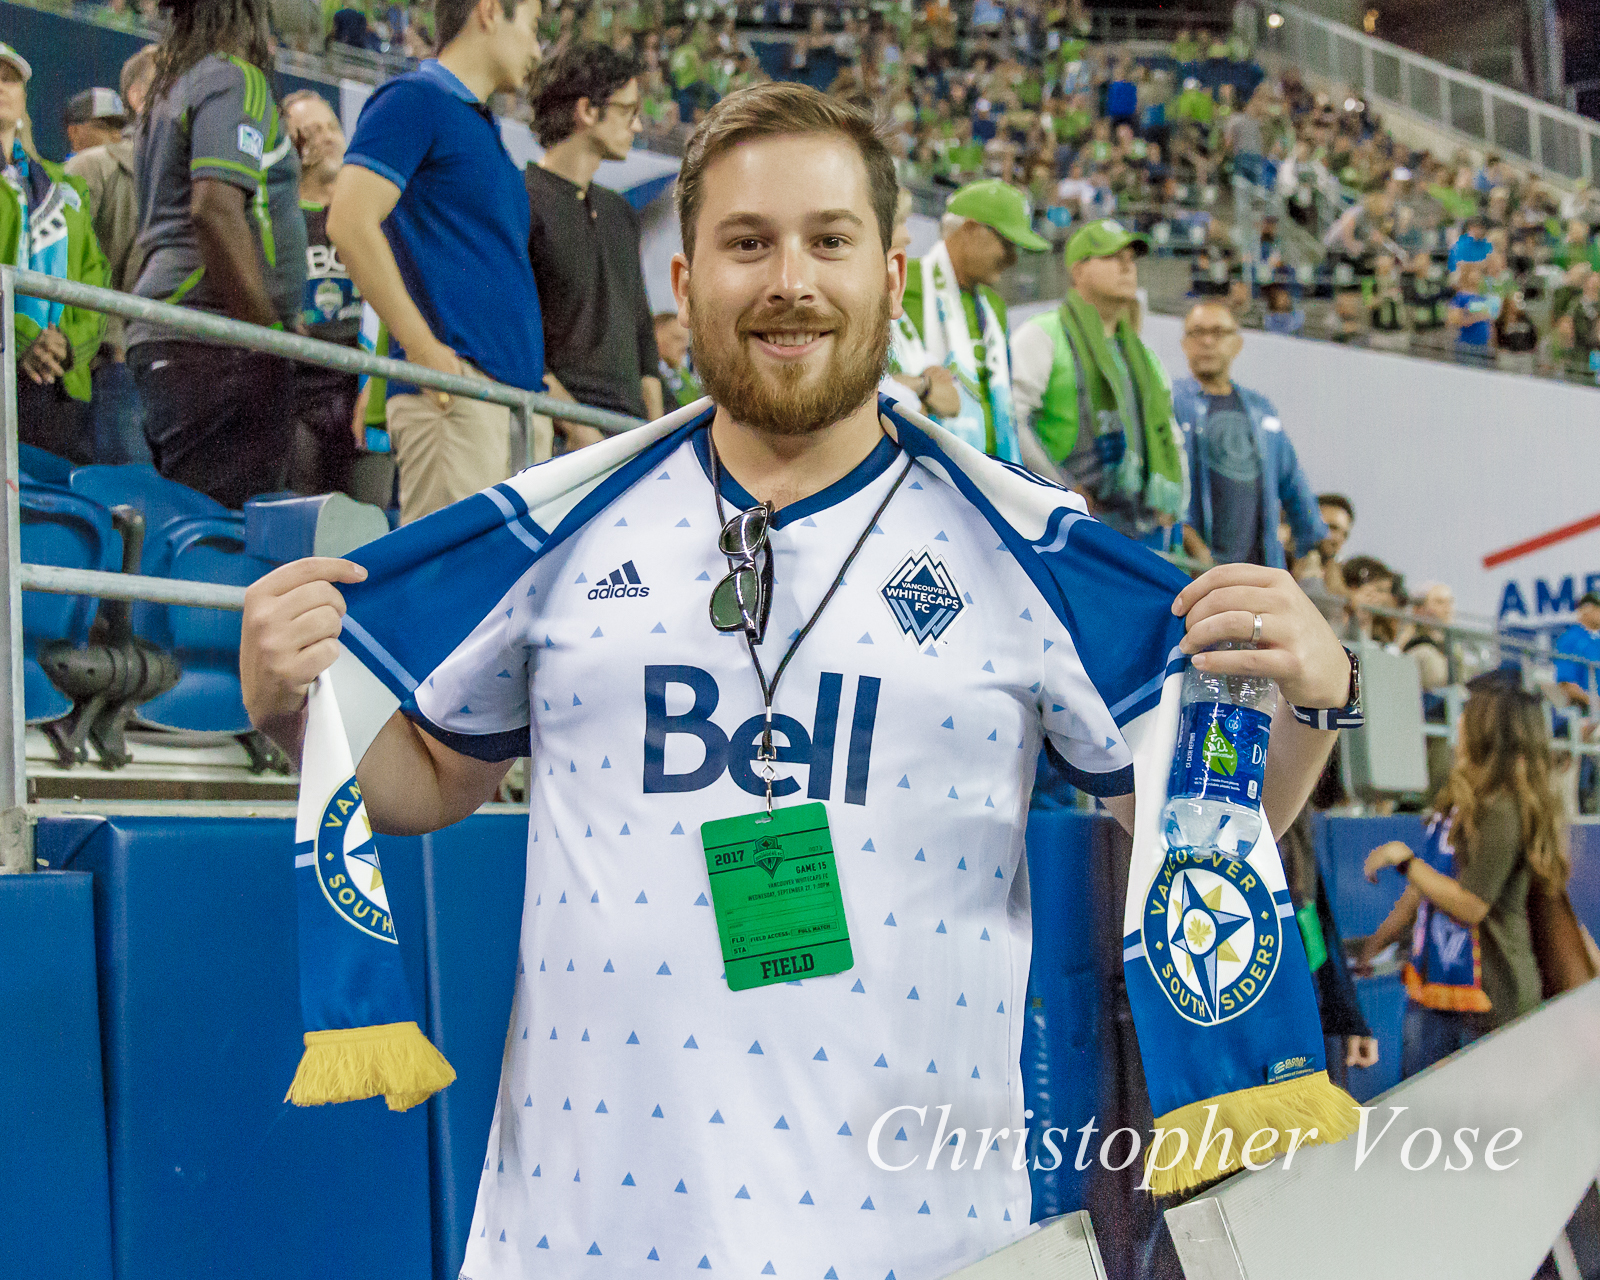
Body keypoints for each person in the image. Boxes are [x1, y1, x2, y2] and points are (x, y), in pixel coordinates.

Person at [239, 82, 1356, 1279]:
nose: (789, 280)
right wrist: (294, 702)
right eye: (745, 243)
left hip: (923, 1241)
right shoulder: (558, 526)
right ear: (685, 284)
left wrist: (1309, 699)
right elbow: (430, 780)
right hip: (584, 1232)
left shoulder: (1025, 549)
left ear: (887, 271)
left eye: (827, 240)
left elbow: (1189, 824)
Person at [328, 0, 552, 523]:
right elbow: (349, 222)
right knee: (450, 593)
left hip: (511, 401)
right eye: (535, 29)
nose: (538, 50)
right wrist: (426, 353)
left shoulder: (481, 129)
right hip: (457, 398)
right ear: (491, 11)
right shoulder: (413, 100)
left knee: (502, 597)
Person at [126, 0, 308, 507]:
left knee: (187, 528)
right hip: (214, 343)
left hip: (175, 335)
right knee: (224, 540)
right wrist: (265, 330)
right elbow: (213, 209)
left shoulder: (174, 88)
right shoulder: (236, 79)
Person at [1358, 671, 1568, 1076]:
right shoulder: (1458, 801)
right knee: (1424, 1121)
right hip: (1432, 993)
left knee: (1484, 1129)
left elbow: (1471, 905)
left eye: (1468, 713)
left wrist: (1405, 862)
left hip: (1489, 1001)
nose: (1457, 722)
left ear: (1489, 727)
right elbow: (1426, 889)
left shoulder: (1505, 807)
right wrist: (1378, 942)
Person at [1011, 218, 1187, 547]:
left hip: (1142, 531)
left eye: (1131, 260)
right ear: (1077, 271)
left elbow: (1171, 435)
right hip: (1069, 530)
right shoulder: (1043, 335)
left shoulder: (1144, 357)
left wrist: (1176, 498)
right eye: (1111, 257)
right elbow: (1012, 421)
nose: (1127, 267)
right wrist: (1061, 489)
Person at [526, 42, 659, 435]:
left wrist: (652, 432)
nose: (637, 125)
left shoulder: (619, 211)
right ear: (587, 110)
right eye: (628, 111)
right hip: (560, 436)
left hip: (631, 433)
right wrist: (580, 431)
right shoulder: (520, 201)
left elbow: (642, 334)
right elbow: (522, 340)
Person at [281, 89, 393, 506]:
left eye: (333, 127)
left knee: (370, 537)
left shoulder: (374, 218)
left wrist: (375, 387)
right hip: (297, 394)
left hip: (365, 386)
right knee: (298, 530)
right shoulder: (276, 218)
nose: (327, 138)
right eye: (311, 130)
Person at [0, 41, 109, 466]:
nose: (2, 86)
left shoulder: (65, 188)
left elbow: (95, 278)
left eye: (11, 79)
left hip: (61, 387)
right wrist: (22, 338)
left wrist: (68, 344)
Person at [898, 178, 1048, 461]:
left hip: (992, 477)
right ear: (969, 229)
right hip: (921, 475)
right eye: (1007, 243)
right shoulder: (901, 284)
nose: (1013, 258)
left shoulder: (994, 307)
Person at [1173, 301, 1327, 570]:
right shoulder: (1169, 400)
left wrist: (1317, 543)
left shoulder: (1260, 409)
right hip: (1192, 569)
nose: (1207, 341)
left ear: (1238, 344)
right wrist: (1192, 544)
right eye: (1197, 332)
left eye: (1218, 332)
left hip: (1258, 569)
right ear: (1185, 343)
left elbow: (1293, 480)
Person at [64, 45, 157, 465]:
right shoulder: (85, 168)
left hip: (150, 356)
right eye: (100, 125)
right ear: (74, 130)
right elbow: (66, 263)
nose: (111, 134)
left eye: (115, 125)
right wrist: (108, 340)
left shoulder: (161, 167)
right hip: (104, 358)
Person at [882, 185, 959, 421]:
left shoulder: (894, 308)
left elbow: (952, 402)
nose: (908, 235)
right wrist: (924, 390)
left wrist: (918, 385)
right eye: (901, 221)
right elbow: (910, 415)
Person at [652, 310, 701, 411]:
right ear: (655, 334)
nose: (683, 348)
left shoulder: (686, 380)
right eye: (676, 338)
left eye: (686, 343)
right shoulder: (645, 373)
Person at [63, 88, 127, 158]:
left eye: (120, 127)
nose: (116, 135)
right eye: (103, 127)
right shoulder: (59, 169)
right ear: (74, 131)